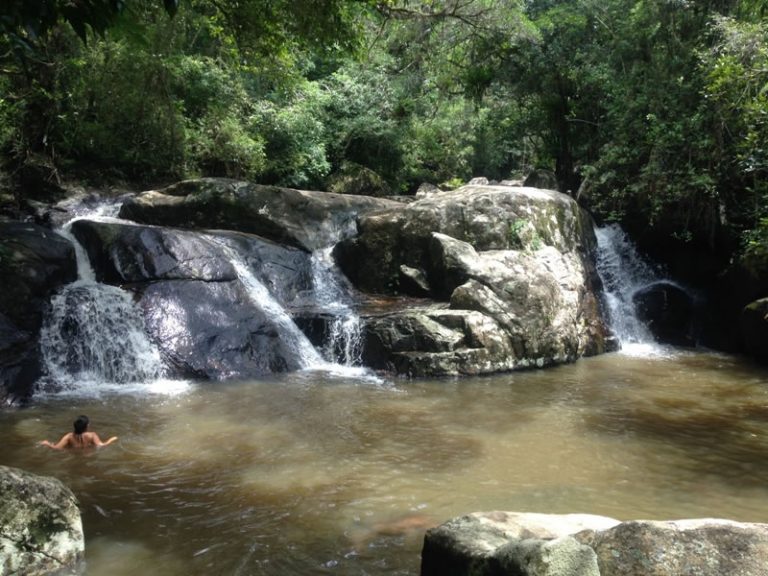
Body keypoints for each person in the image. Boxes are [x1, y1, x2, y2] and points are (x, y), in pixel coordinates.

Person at [39, 415, 118, 450]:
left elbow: (57, 448)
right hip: (88, 456)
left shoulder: (69, 437)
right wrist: (111, 439)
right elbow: (101, 446)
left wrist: (47, 444)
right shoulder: (92, 435)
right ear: (87, 426)